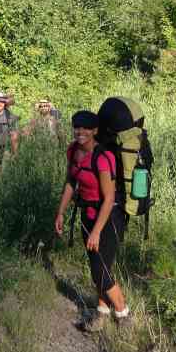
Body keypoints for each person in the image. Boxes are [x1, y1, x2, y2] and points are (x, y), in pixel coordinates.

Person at [54, 110, 129, 331]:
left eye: (86, 128)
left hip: (108, 217)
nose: (80, 132)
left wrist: (96, 231)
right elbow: (70, 181)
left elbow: (109, 199)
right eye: (77, 127)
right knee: (97, 267)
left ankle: (124, 315)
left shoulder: (103, 157)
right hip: (87, 214)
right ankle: (101, 313)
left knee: (101, 271)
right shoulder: (73, 151)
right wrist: (60, 212)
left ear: (95, 131)